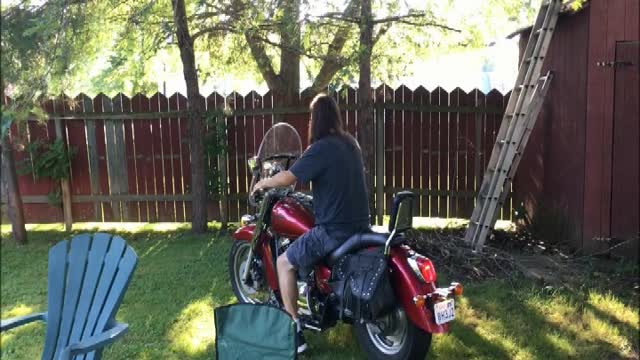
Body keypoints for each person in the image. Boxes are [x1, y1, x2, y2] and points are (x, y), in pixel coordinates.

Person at [252, 93, 370, 353]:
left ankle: (294, 331)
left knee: (284, 263)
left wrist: (264, 182)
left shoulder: (320, 148)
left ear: (315, 119)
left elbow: (288, 178)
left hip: (333, 232)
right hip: (361, 227)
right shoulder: (350, 143)